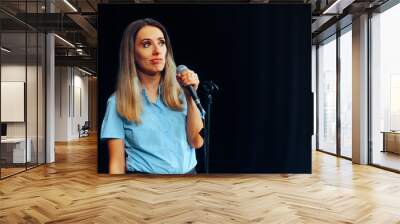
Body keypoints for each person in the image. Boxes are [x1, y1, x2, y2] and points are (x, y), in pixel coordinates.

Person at [100, 18, 204, 175]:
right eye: (146, 44)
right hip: (145, 187)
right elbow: (116, 163)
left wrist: (190, 97)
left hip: (188, 180)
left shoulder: (182, 93)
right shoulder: (117, 102)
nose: (157, 50)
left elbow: (196, 142)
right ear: (132, 53)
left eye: (161, 43)